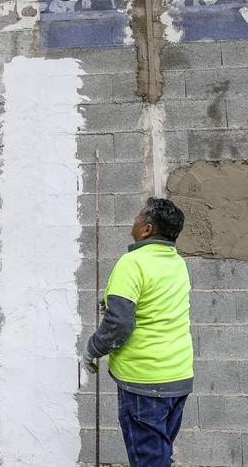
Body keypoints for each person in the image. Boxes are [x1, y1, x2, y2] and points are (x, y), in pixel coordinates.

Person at [81, 198, 193, 467]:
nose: (134, 221)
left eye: (138, 218)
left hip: (145, 383)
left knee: (149, 462)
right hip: (178, 377)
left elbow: (118, 325)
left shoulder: (132, 263)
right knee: (159, 455)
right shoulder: (177, 263)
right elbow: (153, 305)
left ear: (147, 229)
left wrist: (92, 350)